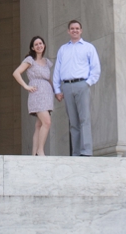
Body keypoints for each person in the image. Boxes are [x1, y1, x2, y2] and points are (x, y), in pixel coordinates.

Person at [52, 20, 101, 157]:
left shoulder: (88, 47)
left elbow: (95, 68)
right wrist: (57, 90)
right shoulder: (63, 49)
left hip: (82, 84)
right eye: (72, 28)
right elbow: (57, 70)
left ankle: (86, 151)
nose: (74, 30)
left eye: (77, 28)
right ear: (68, 31)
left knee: (84, 119)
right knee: (73, 122)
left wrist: (88, 83)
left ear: (81, 30)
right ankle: (76, 152)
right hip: (66, 86)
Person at [13, 35, 54, 155]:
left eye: (41, 43)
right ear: (32, 47)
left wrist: (56, 92)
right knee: (47, 122)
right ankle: (40, 150)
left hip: (47, 95)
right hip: (36, 95)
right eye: (36, 44)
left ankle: (34, 153)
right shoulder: (30, 60)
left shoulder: (47, 62)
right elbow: (16, 73)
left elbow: (48, 79)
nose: (39, 46)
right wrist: (26, 86)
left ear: (44, 45)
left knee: (39, 124)